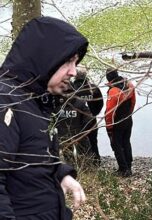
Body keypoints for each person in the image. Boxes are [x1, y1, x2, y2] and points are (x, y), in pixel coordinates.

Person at [0, 17, 88, 219]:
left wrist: (61, 173)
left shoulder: (35, 100)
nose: (73, 72)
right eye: (68, 61)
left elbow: (31, 155)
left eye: (75, 62)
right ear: (45, 58)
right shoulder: (6, 101)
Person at [105, 71, 136, 177]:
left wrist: (109, 127)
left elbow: (109, 112)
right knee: (126, 142)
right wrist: (129, 114)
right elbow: (133, 102)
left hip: (117, 122)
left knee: (116, 145)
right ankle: (128, 166)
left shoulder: (113, 91)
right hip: (128, 119)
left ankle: (124, 169)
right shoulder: (129, 85)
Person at [53, 90, 94, 167]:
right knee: (83, 156)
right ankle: (84, 171)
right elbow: (89, 118)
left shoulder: (57, 104)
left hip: (65, 136)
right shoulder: (79, 103)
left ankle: (74, 171)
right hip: (76, 135)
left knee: (71, 158)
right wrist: (83, 129)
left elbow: (50, 118)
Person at [73, 69, 103, 165]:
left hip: (76, 121)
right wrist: (94, 113)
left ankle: (82, 164)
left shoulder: (72, 88)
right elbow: (100, 103)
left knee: (78, 143)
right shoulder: (93, 88)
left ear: (75, 77)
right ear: (86, 77)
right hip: (91, 120)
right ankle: (96, 161)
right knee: (93, 142)